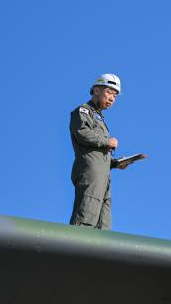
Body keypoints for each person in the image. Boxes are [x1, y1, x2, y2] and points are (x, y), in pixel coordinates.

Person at [69, 73, 126, 230]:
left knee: (103, 223)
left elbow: (97, 152)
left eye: (115, 95)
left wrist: (115, 163)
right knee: (86, 216)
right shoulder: (83, 111)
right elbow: (82, 132)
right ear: (96, 90)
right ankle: (75, 251)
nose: (112, 98)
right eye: (109, 92)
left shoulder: (99, 118)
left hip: (103, 175)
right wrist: (108, 142)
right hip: (90, 172)